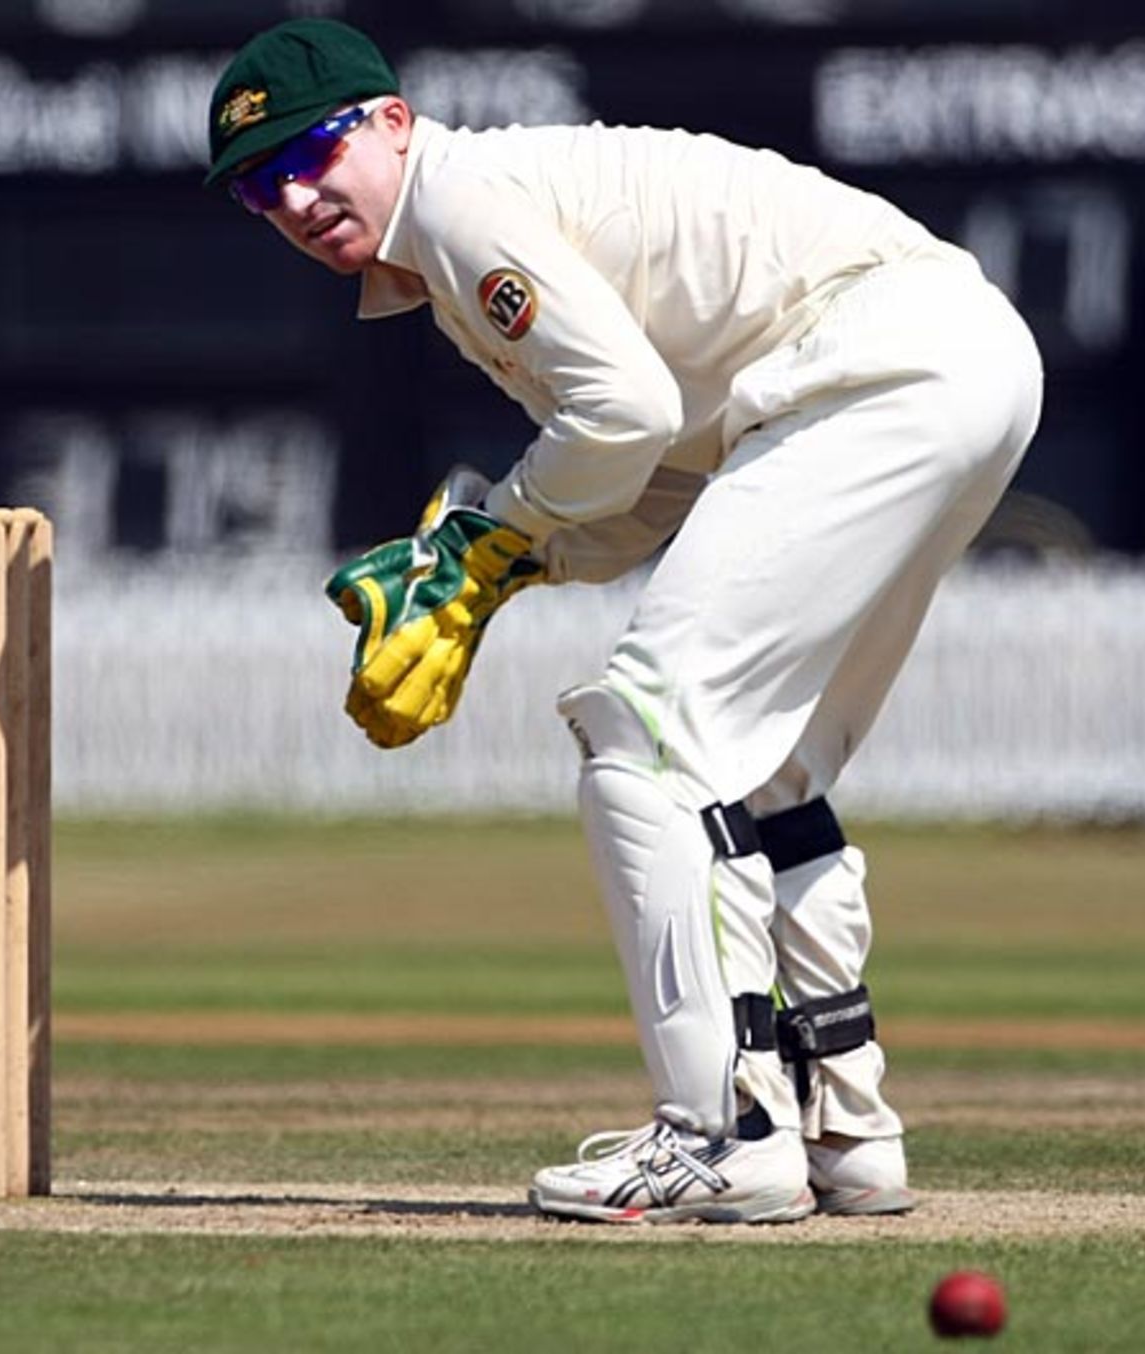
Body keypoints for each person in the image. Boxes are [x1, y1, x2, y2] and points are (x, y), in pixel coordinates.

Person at [207, 19, 1042, 1225]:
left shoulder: (453, 204)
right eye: (257, 189)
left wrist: (484, 542)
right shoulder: (455, 240)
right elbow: (647, 473)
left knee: (645, 737)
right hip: (952, 364)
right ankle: (842, 1129)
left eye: (311, 154)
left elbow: (622, 411)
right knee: (765, 772)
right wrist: (501, 561)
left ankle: (720, 1130)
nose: (293, 198)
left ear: (391, 121)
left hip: (871, 369)